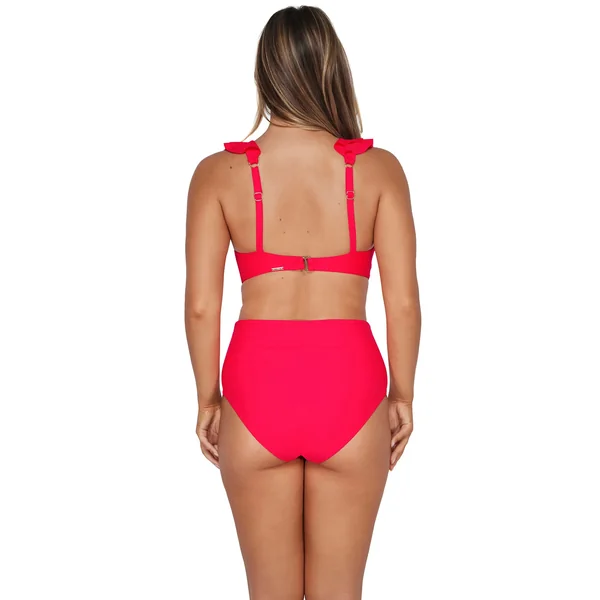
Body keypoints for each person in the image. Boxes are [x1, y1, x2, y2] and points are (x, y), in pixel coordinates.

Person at [184, 5, 421, 599]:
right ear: (333, 68)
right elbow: (403, 301)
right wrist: (402, 395)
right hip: (351, 390)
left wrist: (208, 398)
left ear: (265, 73)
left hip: (256, 391)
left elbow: (202, 306)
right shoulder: (379, 170)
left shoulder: (217, 174)